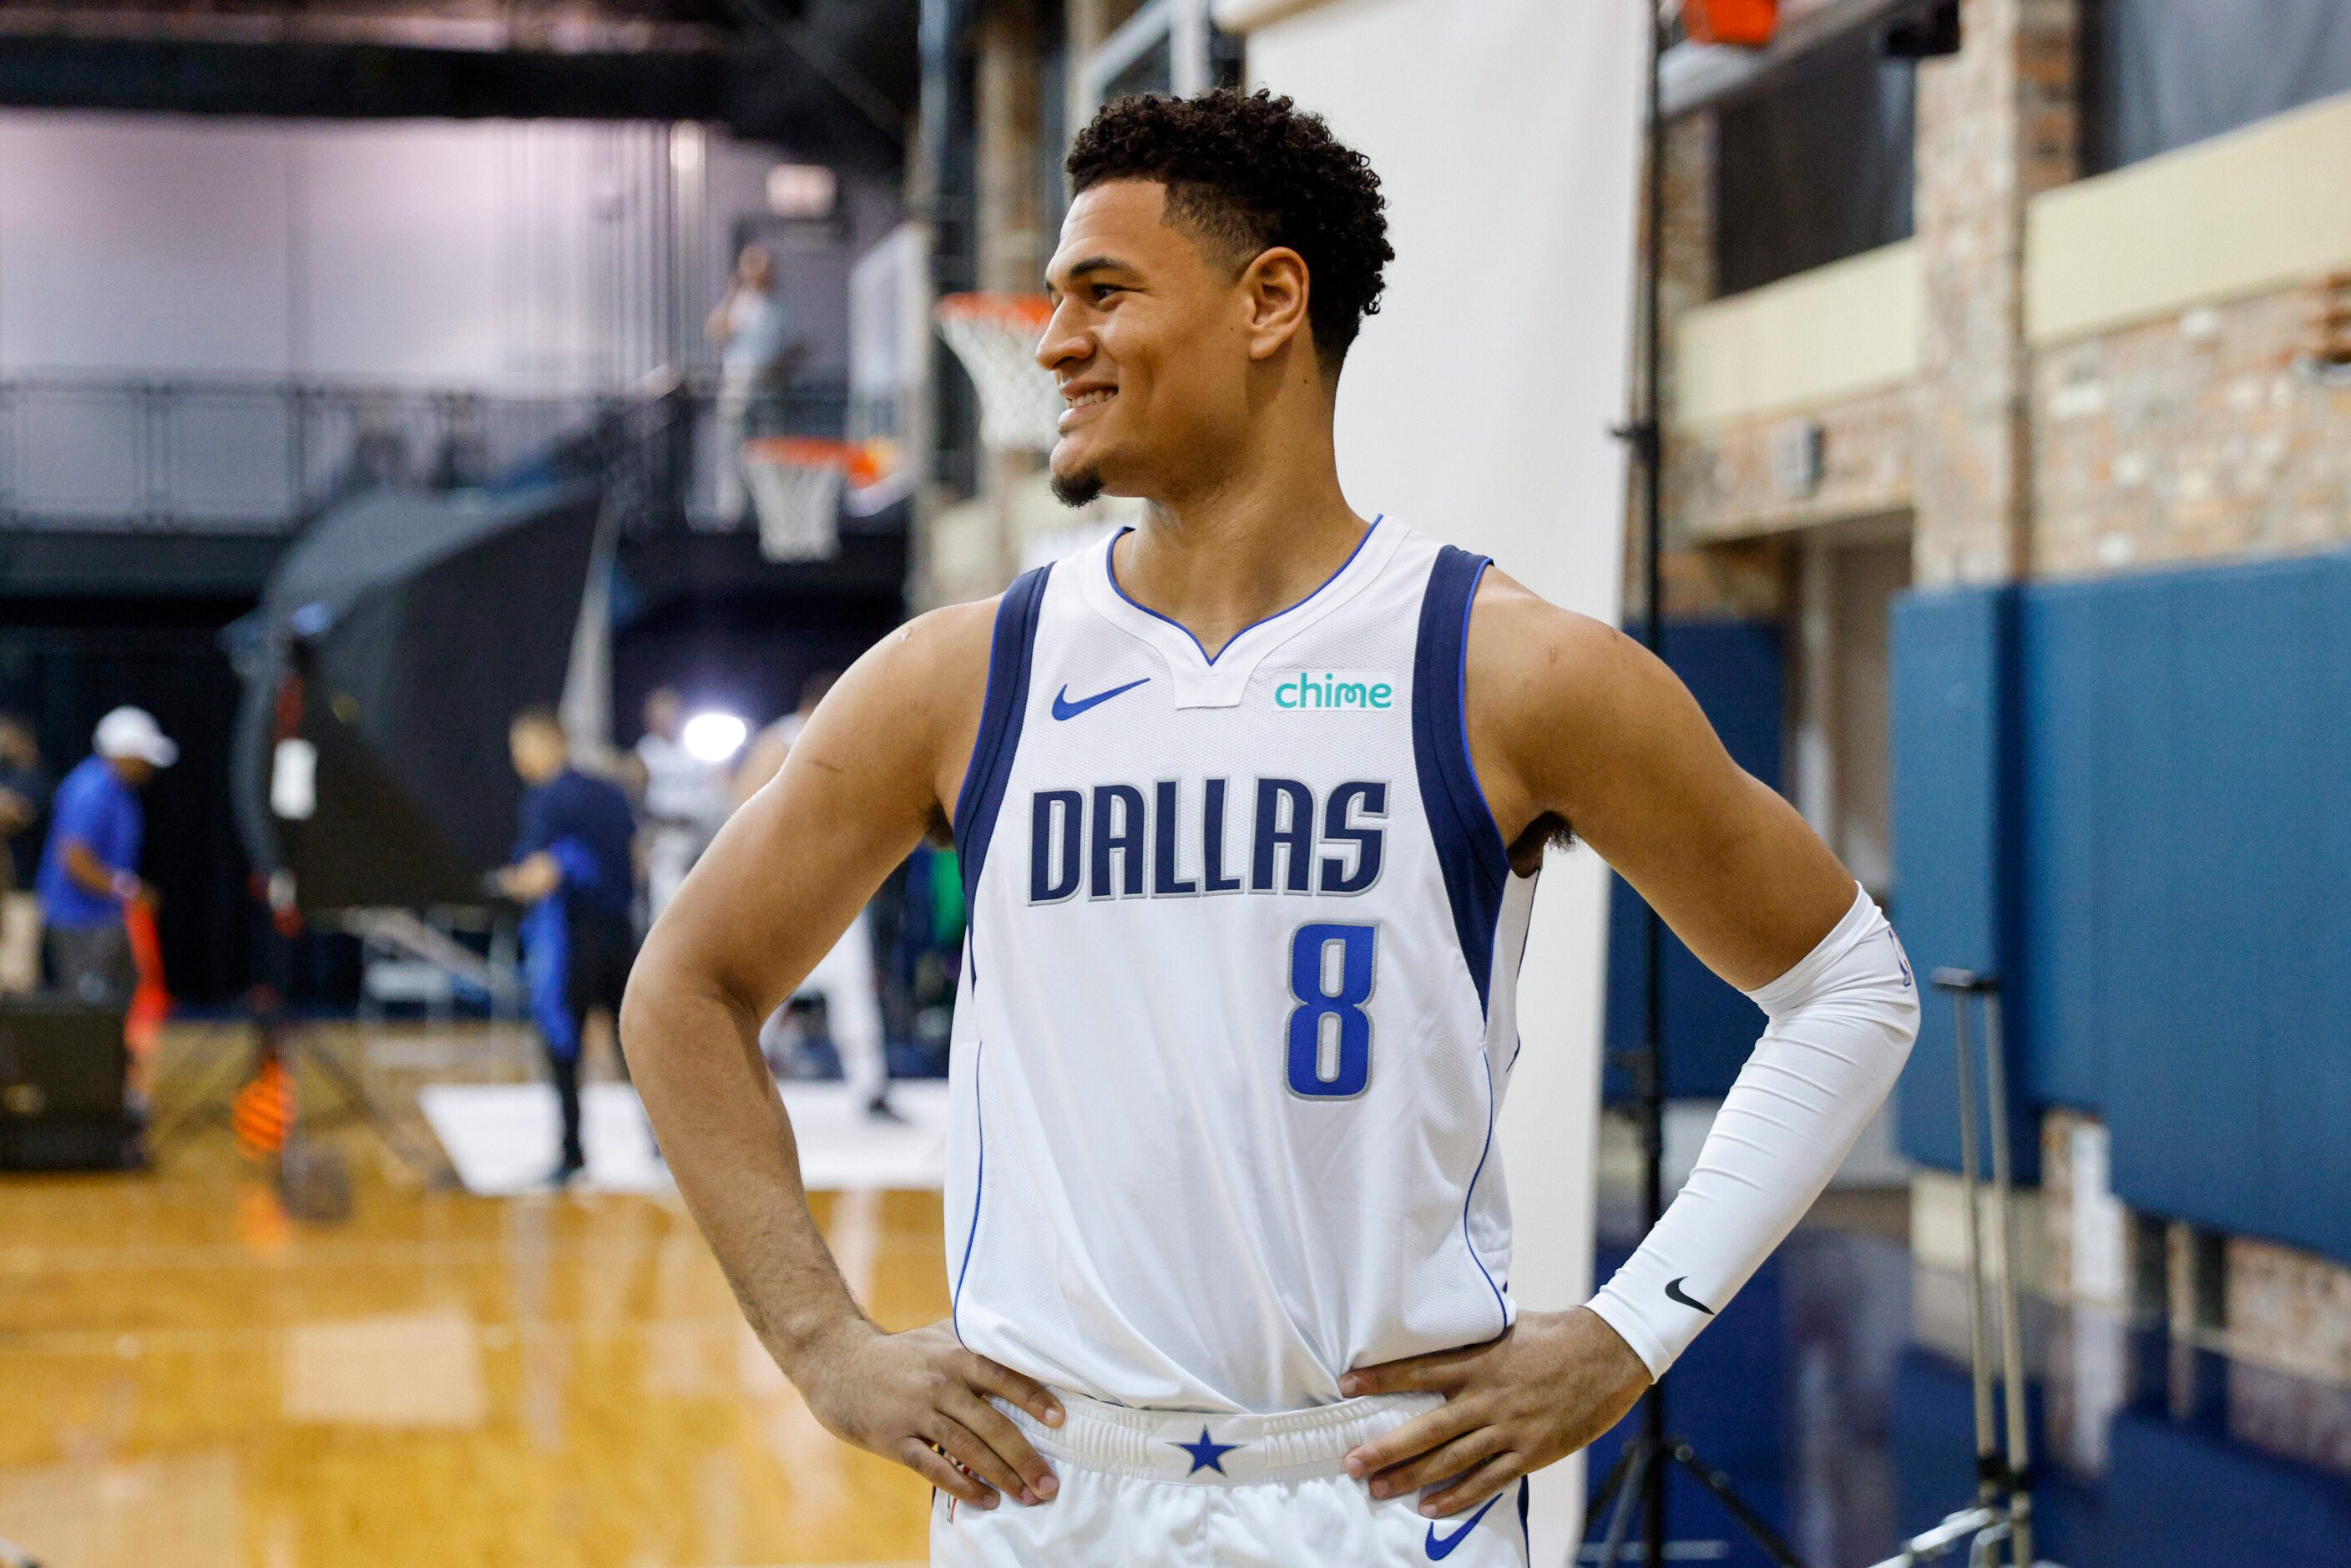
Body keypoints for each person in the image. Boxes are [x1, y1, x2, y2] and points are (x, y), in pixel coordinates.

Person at [622, 89, 1919, 1567]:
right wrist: (822, 1342)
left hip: (1380, 1493)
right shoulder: (962, 675)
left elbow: (1846, 988)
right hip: (1051, 1495)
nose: (1051, 341)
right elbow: (686, 988)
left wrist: (1631, 1330)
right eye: (1051, 301)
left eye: (1101, 293)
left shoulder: (1505, 665)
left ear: (1271, 302)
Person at [732, 672, 899, 1123]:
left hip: (842, 882)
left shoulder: (853, 738)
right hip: (788, 886)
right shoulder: (782, 738)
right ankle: (736, 1089)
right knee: (771, 991)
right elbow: (741, 806)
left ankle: (872, 1088)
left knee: (855, 990)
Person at [495, 707, 638, 1187]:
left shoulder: (547, 799)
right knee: (635, 1046)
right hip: (621, 933)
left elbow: (545, 873)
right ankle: (668, 1146)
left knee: (562, 1045)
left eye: (520, 746)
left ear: (543, 742)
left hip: (572, 940)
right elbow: (632, 858)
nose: (516, 759)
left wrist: (511, 884)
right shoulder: (610, 791)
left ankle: (572, 1151)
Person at [36, 706, 173, 1006]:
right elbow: (74, 859)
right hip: (79, 923)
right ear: (125, 753)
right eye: (144, 756)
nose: (149, 765)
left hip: (105, 919)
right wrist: (129, 889)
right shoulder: (91, 790)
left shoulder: (119, 790)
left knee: (116, 1004)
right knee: (88, 1009)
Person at [706, 244, 805, 523]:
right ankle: (731, 513)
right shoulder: (737, 302)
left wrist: (779, 368)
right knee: (732, 452)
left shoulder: (779, 307)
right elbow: (716, 331)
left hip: (768, 387)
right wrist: (731, 292)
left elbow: (795, 347)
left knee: (771, 450)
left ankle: (773, 513)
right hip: (737, 385)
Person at [634, 687, 730, 925]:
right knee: (665, 911)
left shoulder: (697, 745)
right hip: (665, 838)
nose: (667, 719)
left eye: (672, 713)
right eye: (661, 715)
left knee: (705, 908)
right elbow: (638, 801)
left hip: (702, 836)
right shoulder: (646, 751)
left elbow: (721, 787)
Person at [0, 716, 51, 994]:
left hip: (24, 893)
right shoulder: (6, 775)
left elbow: (10, 815)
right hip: (5, 891)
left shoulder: (34, 778)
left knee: (17, 977)